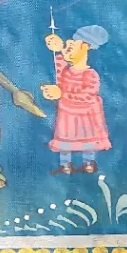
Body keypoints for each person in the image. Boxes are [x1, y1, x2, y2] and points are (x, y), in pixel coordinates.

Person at [41, 25, 111, 175]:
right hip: (67, 115)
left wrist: (61, 94)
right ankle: (65, 164)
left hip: (86, 116)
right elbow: (59, 71)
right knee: (65, 140)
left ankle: (89, 163)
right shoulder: (67, 71)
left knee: (88, 140)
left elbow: (87, 96)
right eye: (67, 45)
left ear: (85, 48)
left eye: (72, 46)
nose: (68, 48)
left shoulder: (91, 75)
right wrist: (58, 49)